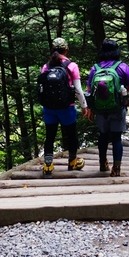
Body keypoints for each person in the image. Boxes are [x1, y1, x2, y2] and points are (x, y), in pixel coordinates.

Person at [87, 39, 129, 177]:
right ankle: (116, 168)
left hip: (100, 109)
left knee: (103, 136)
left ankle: (103, 164)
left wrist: (90, 108)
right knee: (116, 138)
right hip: (117, 108)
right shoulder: (122, 67)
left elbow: (89, 90)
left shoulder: (95, 68)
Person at [41, 37, 90, 178]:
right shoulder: (71, 66)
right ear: (66, 49)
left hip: (49, 108)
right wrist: (84, 106)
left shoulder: (46, 66)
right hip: (66, 107)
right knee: (71, 135)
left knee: (49, 136)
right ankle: (73, 161)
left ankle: (48, 165)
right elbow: (78, 89)